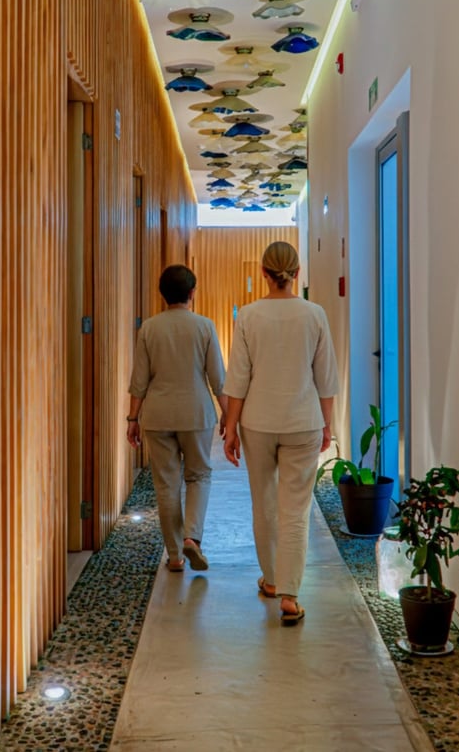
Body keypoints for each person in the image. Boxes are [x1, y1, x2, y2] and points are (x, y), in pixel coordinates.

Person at [223, 241, 338, 625]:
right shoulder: (315, 315)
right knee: (295, 510)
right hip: (304, 422)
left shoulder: (249, 316)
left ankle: (271, 580)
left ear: (263, 273)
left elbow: (238, 379)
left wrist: (230, 428)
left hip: (257, 421)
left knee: (264, 502)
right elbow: (325, 378)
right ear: (297, 272)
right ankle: (289, 595)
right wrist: (327, 424)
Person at [127, 264, 227, 572]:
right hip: (196, 413)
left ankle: (174, 557)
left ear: (163, 295)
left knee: (166, 484)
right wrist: (228, 414)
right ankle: (191, 538)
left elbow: (139, 380)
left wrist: (132, 419)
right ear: (192, 293)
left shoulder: (149, 329)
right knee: (199, 476)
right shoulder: (205, 327)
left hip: (157, 415)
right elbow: (217, 378)